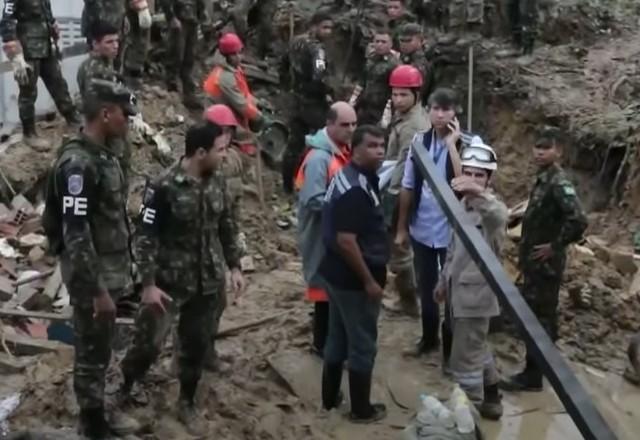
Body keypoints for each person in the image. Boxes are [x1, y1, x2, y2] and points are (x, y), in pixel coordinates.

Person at [119, 122, 245, 437]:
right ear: (200, 152)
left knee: (196, 345)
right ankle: (124, 388)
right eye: (220, 150)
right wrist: (147, 285)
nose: (224, 155)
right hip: (167, 285)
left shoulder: (218, 181)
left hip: (207, 282)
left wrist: (235, 266)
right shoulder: (163, 187)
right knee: (147, 344)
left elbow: (226, 225)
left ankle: (186, 401)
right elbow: (145, 237)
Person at [42, 79, 140, 439]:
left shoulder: (104, 153)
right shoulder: (78, 165)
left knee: (100, 346)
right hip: (91, 276)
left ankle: (98, 413)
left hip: (110, 270)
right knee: (90, 350)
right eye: (123, 115)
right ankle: (92, 423)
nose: (127, 122)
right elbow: (76, 233)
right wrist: (98, 290)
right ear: (105, 113)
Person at [500, 128, 587, 391]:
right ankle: (537, 371)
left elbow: (579, 220)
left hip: (545, 265)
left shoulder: (558, 183)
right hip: (535, 263)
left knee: (540, 319)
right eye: (537, 147)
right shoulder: (544, 179)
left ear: (558, 151)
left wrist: (554, 246)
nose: (539, 152)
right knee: (538, 316)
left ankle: (534, 375)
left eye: (545, 148)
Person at [319, 124, 388, 423]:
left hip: (336, 275)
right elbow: (346, 241)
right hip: (353, 280)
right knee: (362, 344)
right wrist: (369, 281)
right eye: (373, 146)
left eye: (382, 145)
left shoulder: (349, 177)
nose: (380, 151)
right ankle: (361, 410)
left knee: (337, 337)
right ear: (356, 149)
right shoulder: (356, 190)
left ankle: (330, 399)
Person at [434, 138, 507, 420]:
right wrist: (442, 281)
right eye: (470, 173)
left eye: (481, 175)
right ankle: (491, 396)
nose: (474, 179)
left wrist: (478, 192)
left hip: (476, 298)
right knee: (475, 346)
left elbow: (500, 215)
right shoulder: (464, 205)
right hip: (457, 293)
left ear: (489, 179)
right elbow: (454, 249)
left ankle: (469, 416)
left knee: (464, 363)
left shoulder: (490, 209)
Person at [395, 88, 462, 357]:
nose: (440, 114)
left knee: (453, 291)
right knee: (426, 285)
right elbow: (408, 185)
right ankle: (428, 338)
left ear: (456, 113)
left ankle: (451, 348)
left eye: (446, 109)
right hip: (422, 226)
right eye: (435, 108)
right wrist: (401, 227)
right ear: (428, 110)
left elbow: (464, 186)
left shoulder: (468, 144)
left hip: (453, 231)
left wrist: (451, 146)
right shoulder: (419, 142)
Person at [296, 102, 356, 357]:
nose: (351, 130)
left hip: (334, 235)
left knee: (331, 294)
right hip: (321, 237)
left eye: (354, 124)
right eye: (345, 125)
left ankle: (327, 342)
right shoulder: (320, 159)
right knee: (323, 293)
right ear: (330, 124)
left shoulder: (339, 151)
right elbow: (312, 199)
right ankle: (322, 345)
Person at [381, 65, 429, 318]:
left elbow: (403, 166)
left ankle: (409, 301)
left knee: (399, 248)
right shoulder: (405, 117)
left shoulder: (413, 125)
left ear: (416, 95)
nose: (398, 99)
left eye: (404, 95)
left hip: (401, 191)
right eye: (395, 94)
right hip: (399, 186)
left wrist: (392, 196)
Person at [0, 0, 80, 150]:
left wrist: (56, 36)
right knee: (28, 92)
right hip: (28, 51)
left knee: (58, 84)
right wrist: (15, 54)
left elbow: (47, 16)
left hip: (46, 48)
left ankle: (73, 119)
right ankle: (29, 133)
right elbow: (6, 21)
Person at [280, 10, 333, 193]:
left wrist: (287, 87)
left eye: (330, 28)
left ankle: (287, 185)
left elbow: (283, 65)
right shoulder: (317, 49)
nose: (328, 32)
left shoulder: (295, 42)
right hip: (313, 104)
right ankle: (312, 185)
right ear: (313, 26)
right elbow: (319, 76)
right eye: (325, 27)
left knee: (293, 144)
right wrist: (327, 95)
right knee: (322, 144)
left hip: (295, 100)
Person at [77, 21, 132, 182]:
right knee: (114, 175)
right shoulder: (95, 70)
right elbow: (96, 105)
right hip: (106, 132)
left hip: (110, 127)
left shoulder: (104, 65)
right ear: (95, 44)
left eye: (117, 41)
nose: (115, 46)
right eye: (109, 42)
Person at [204, 32, 267, 151]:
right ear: (227, 56)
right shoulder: (225, 78)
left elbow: (243, 94)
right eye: (235, 54)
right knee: (249, 144)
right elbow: (241, 104)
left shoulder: (233, 69)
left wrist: (257, 103)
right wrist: (259, 117)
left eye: (239, 52)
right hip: (217, 120)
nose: (240, 57)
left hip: (226, 106)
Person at [161, 0, 207, 110]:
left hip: (192, 20)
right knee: (176, 55)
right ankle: (172, 90)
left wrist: (200, 16)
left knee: (189, 57)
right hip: (179, 19)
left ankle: (189, 94)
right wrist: (171, 17)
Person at [352, 29, 399, 126]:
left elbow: (394, 91)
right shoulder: (370, 59)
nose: (379, 44)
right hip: (365, 107)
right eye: (377, 41)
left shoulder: (394, 64)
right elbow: (362, 82)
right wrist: (352, 102)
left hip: (381, 110)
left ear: (390, 44)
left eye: (383, 42)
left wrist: (387, 115)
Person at [122, 0, 152, 88]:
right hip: (137, 12)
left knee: (141, 46)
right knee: (136, 46)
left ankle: (134, 81)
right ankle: (131, 84)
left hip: (142, 11)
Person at [397, 23, 429, 102]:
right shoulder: (402, 57)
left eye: (408, 40)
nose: (404, 44)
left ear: (420, 40)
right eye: (402, 40)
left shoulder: (422, 61)